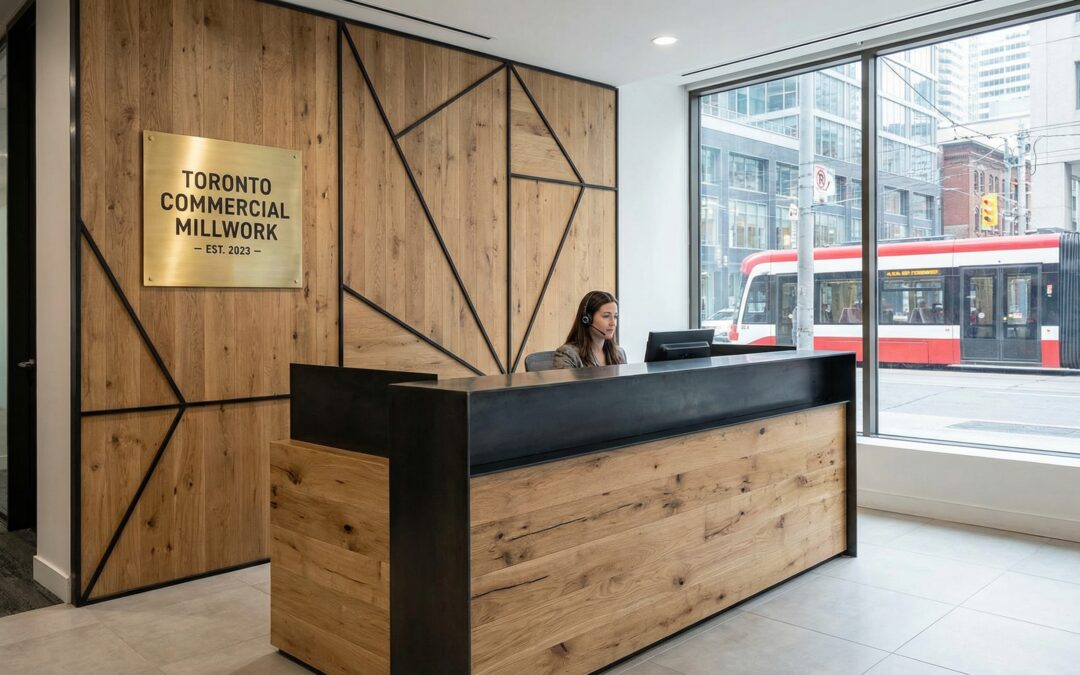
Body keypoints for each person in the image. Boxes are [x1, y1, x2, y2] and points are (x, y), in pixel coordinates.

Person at [553, 290, 627, 368]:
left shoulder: (619, 353)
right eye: (606, 316)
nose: (613, 323)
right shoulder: (567, 355)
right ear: (587, 319)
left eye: (615, 316)